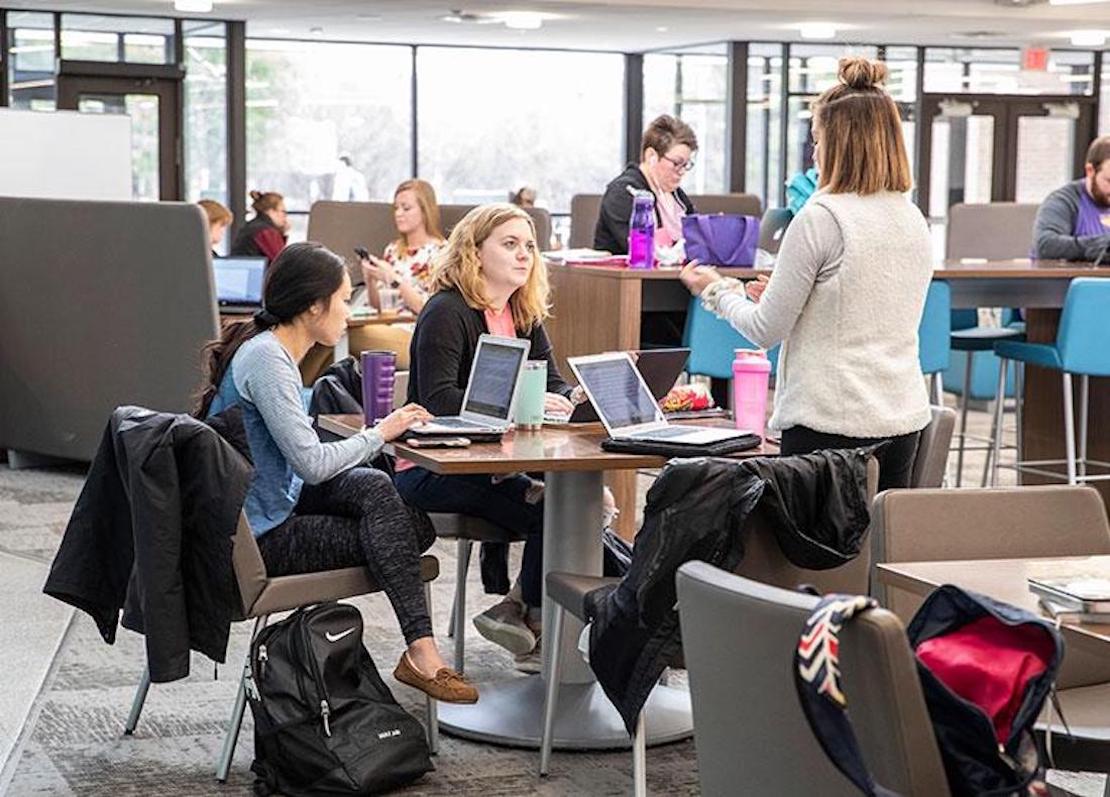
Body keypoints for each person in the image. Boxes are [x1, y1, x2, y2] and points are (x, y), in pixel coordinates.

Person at [196, 241, 477, 704]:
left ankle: (419, 653)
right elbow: (311, 463)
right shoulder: (267, 361)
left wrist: (371, 439)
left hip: (269, 505)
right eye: (345, 298)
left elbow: (300, 463)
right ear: (313, 306)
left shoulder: (267, 349)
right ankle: (423, 653)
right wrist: (381, 433)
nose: (350, 310)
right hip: (258, 540)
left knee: (380, 495)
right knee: (406, 533)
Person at [680, 57, 932, 491]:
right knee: (882, 551)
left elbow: (764, 330)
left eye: (817, 140)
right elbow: (864, 309)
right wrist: (788, 298)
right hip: (902, 418)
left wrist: (717, 290)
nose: (814, 153)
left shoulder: (823, 217)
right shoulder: (912, 218)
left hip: (830, 423)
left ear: (840, 144)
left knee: (809, 559)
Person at [393, 204, 576, 673]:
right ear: (475, 254)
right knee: (555, 511)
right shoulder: (447, 310)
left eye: (530, 247)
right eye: (510, 244)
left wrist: (568, 398)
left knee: (575, 506)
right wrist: (522, 405)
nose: (524, 256)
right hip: (433, 468)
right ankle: (538, 625)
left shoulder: (522, 311)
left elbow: (551, 383)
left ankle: (516, 607)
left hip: (502, 461)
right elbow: (440, 399)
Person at [594, 114, 698, 255]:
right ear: (651, 156)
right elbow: (642, 250)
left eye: (686, 165)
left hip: (673, 274)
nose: (682, 172)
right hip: (635, 275)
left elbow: (698, 238)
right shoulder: (623, 193)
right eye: (676, 163)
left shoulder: (675, 195)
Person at [1033, 136, 1110, 262]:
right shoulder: (1063, 202)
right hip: (1069, 280)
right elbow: (1046, 245)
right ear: (1090, 171)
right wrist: (1101, 246)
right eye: (1109, 181)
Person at [230, 190, 290, 264]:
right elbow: (281, 261)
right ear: (270, 211)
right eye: (283, 211)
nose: (285, 216)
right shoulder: (265, 231)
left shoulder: (253, 226)